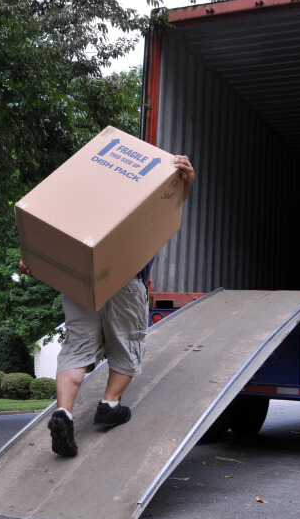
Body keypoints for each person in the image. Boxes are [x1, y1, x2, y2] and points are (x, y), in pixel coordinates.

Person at [19, 155, 195, 457]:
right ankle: (109, 405)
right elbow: (168, 206)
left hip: (78, 279)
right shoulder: (133, 205)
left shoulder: (75, 202)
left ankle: (64, 412)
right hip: (124, 278)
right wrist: (186, 181)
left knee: (76, 349)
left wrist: (36, 262)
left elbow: (46, 237)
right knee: (128, 345)